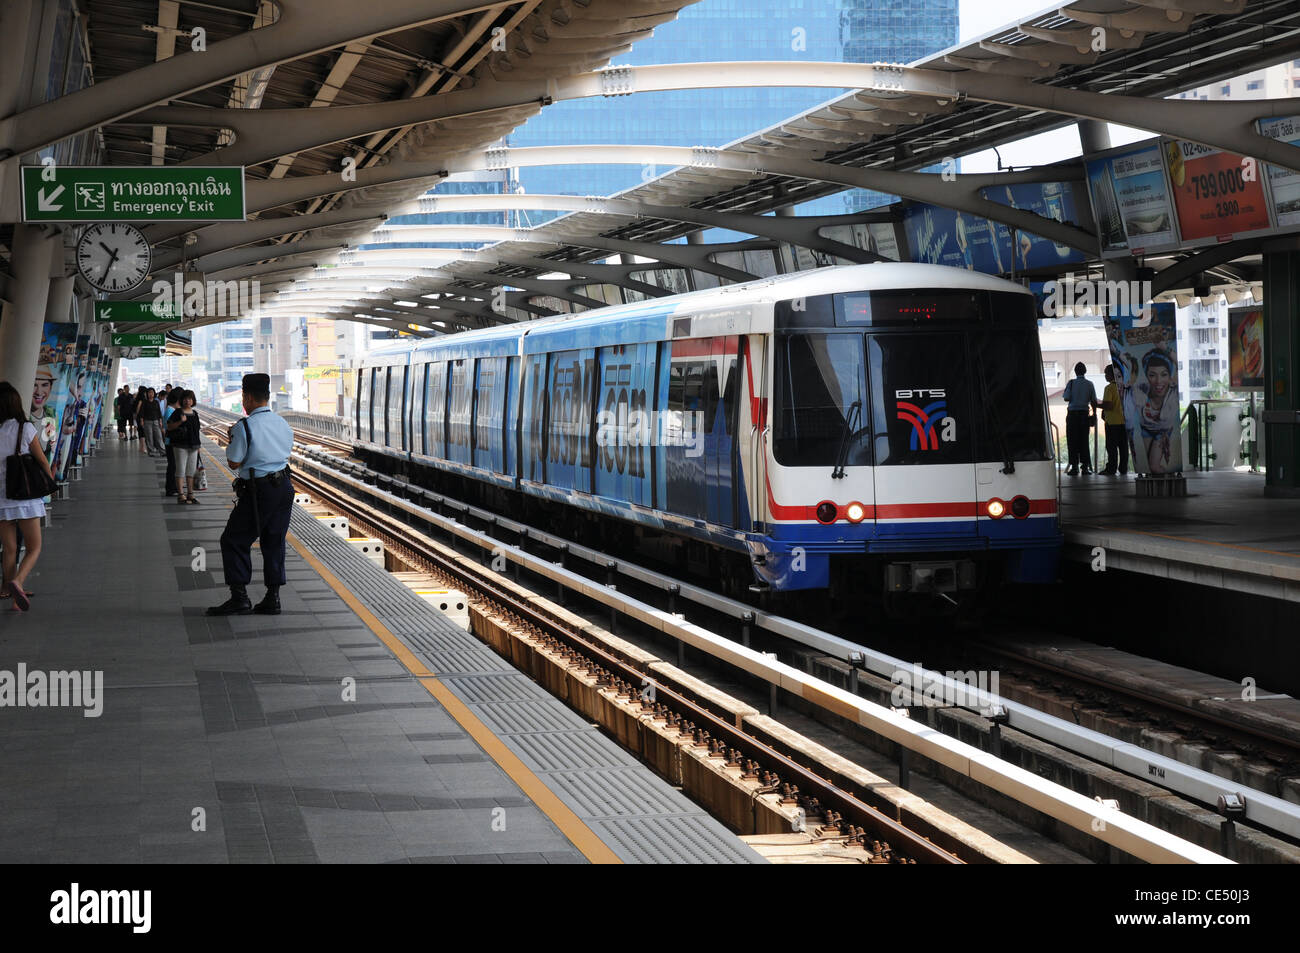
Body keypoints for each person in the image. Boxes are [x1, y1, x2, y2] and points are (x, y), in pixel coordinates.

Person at [207, 374, 294, 616]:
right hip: (284, 487)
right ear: (266, 396)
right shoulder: (282, 423)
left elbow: (234, 462)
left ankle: (240, 597)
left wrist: (231, 438)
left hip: (259, 491)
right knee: (273, 541)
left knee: (233, 540)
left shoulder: (243, 427)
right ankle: (272, 598)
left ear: (247, 397)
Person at [0, 381, 55, 612]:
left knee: (9, 549)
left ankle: (9, 589)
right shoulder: (26, 428)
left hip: (1, 499)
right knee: (34, 548)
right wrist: (50, 480)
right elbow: (41, 459)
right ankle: (17, 584)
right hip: (25, 498)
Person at [1137, 350, 1179, 474]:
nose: (1158, 381)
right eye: (1152, 375)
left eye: (1164, 374)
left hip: (1163, 433)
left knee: (1154, 467)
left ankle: (1170, 485)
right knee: (1147, 468)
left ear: (1170, 376)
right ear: (1146, 375)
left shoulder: (1174, 392)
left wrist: (1165, 348)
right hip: (1145, 430)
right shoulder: (1140, 390)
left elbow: (1180, 367)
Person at [1062, 362, 1099, 476]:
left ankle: (1074, 467)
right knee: (1084, 441)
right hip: (1084, 415)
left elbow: (1066, 398)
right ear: (1085, 371)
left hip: (1072, 415)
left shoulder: (1071, 383)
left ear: (1075, 371)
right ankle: (1085, 467)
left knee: (1072, 441)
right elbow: (1093, 401)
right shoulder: (1090, 384)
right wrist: (1094, 414)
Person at [167, 390, 202, 504]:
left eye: (190, 399)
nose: (188, 401)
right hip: (180, 445)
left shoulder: (195, 413)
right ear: (182, 400)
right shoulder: (178, 412)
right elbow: (169, 427)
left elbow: (197, 430)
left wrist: (199, 446)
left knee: (191, 470)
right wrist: (180, 422)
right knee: (180, 469)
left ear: (193, 401)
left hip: (194, 446)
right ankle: (181, 495)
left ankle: (190, 494)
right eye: (185, 399)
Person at [1099, 364, 1128, 476]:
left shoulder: (1109, 388)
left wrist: (1096, 405)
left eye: (1106, 373)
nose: (1105, 376)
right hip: (1124, 422)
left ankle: (1111, 469)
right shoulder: (1124, 386)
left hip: (1112, 422)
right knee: (1123, 447)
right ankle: (1123, 468)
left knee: (1111, 447)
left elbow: (1109, 405)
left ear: (1112, 374)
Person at [162, 387, 182, 496]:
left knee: (174, 465)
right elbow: (169, 426)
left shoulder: (171, 409)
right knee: (172, 465)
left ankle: (173, 486)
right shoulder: (170, 410)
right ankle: (170, 488)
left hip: (172, 442)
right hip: (171, 442)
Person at [139, 387, 164, 456]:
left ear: (154, 393)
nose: (151, 394)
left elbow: (159, 412)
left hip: (156, 421)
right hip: (147, 421)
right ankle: (151, 451)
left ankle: (162, 451)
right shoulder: (145, 402)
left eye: (152, 392)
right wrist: (142, 421)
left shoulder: (156, 402)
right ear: (147, 394)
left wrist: (160, 421)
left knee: (159, 436)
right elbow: (142, 412)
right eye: (149, 392)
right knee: (149, 437)